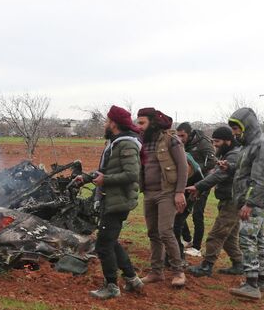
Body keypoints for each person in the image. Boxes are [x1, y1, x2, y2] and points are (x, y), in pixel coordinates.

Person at [77, 106, 144, 299]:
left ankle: (112, 286)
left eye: (107, 121)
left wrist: (105, 180)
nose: (105, 124)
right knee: (111, 241)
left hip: (118, 200)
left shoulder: (127, 145)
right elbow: (108, 170)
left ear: (113, 123)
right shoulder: (115, 143)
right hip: (112, 198)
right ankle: (132, 279)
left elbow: (132, 174)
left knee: (103, 245)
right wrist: (88, 178)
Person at [135, 108, 187, 287]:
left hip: (167, 192)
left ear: (153, 123)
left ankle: (178, 272)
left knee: (165, 231)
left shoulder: (171, 140)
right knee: (153, 233)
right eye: (138, 122)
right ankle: (156, 272)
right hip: (149, 193)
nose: (139, 126)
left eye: (142, 123)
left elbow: (183, 167)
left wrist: (179, 192)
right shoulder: (142, 141)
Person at [226, 108, 264, 300]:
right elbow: (245, 171)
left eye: (237, 128)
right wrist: (229, 167)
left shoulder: (261, 146)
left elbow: (261, 179)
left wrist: (250, 203)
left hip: (253, 203)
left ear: (248, 126)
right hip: (255, 202)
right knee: (259, 239)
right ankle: (261, 279)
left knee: (247, 240)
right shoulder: (251, 145)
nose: (234, 132)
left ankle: (251, 284)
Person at [186, 126, 243, 277]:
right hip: (229, 199)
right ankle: (239, 264)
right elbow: (216, 174)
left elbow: (219, 176)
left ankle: (206, 266)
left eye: (217, 141)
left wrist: (198, 186)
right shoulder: (228, 153)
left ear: (228, 140)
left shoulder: (234, 155)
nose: (214, 144)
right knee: (229, 236)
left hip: (233, 201)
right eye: (213, 141)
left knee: (217, 234)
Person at [175, 122, 217, 255]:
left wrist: (194, 168)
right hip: (187, 183)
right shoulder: (181, 144)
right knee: (180, 210)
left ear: (189, 133)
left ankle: (197, 248)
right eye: (178, 136)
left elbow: (212, 162)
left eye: (182, 135)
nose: (180, 138)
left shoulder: (203, 143)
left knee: (197, 214)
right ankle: (187, 239)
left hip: (202, 183)